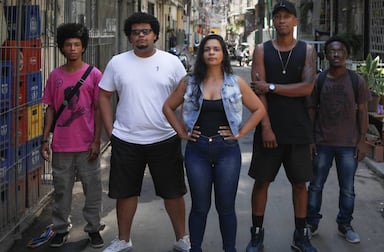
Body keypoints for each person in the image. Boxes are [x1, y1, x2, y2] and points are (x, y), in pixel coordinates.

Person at [163, 34, 266, 252]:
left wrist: (240, 133)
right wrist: (181, 132)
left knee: (226, 207)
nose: (211, 53)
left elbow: (259, 109)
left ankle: (230, 249)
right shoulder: (189, 82)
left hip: (227, 151)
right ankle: (196, 249)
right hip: (196, 150)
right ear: (202, 54)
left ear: (223, 54)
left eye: (216, 49)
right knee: (200, 207)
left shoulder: (235, 82)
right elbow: (167, 107)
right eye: (207, 49)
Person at [98, 12, 190, 252]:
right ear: (129, 36)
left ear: (155, 35)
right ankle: (123, 240)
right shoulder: (117, 62)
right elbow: (103, 96)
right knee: (125, 193)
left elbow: (187, 94)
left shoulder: (171, 62)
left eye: (146, 31)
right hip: (126, 139)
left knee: (173, 192)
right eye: (136, 32)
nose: (141, 36)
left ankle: (182, 238)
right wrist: (110, 131)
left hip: (164, 138)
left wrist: (180, 125)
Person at [246, 1, 317, 252]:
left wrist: (273, 87)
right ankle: (256, 234)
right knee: (262, 182)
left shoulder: (307, 51)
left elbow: (307, 88)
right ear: (273, 21)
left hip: (298, 128)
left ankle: (300, 235)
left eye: (287, 16)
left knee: (300, 184)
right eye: (278, 17)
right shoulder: (261, 50)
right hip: (270, 127)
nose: (282, 20)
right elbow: (258, 93)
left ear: (295, 21)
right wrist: (266, 126)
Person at [41, 23, 104, 248]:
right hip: (61, 145)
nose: (73, 48)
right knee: (61, 190)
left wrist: (97, 140)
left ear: (83, 47)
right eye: (68, 44)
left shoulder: (94, 74)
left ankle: (94, 228)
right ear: (62, 48)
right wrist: (44, 139)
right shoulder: (55, 75)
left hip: (87, 145)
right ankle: (60, 229)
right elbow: (50, 108)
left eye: (77, 44)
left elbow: (98, 109)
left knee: (93, 189)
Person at [306, 36, 370, 244]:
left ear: (346, 55)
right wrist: (311, 139)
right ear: (326, 55)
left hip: (348, 144)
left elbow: (363, 112)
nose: (336, 54)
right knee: (315, 186)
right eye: (332, 51)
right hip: (323, 142)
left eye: (340, 51)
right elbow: (311, 110)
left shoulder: (356, 81)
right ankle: (311, 223)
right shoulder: (320, 79)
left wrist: (362, 140)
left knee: (348, 189)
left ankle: (345, 224)